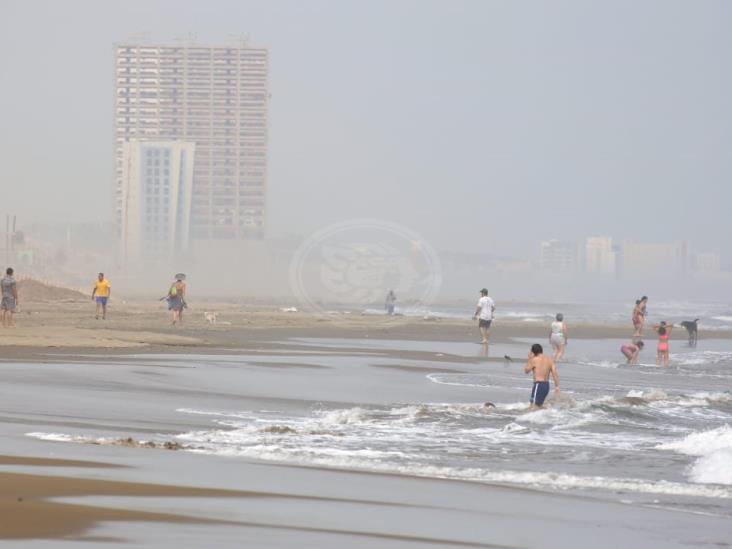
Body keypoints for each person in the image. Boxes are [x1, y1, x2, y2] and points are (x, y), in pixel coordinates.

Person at [524, 343, 560, 408]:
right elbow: (554, 373)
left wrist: (529, 359)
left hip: (538, 385)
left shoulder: (534, 360)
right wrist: (557, 386)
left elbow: (526, 371)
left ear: (533, 352)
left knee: (533, 406)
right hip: (546, 386)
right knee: (539, 406)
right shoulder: (550, 360)